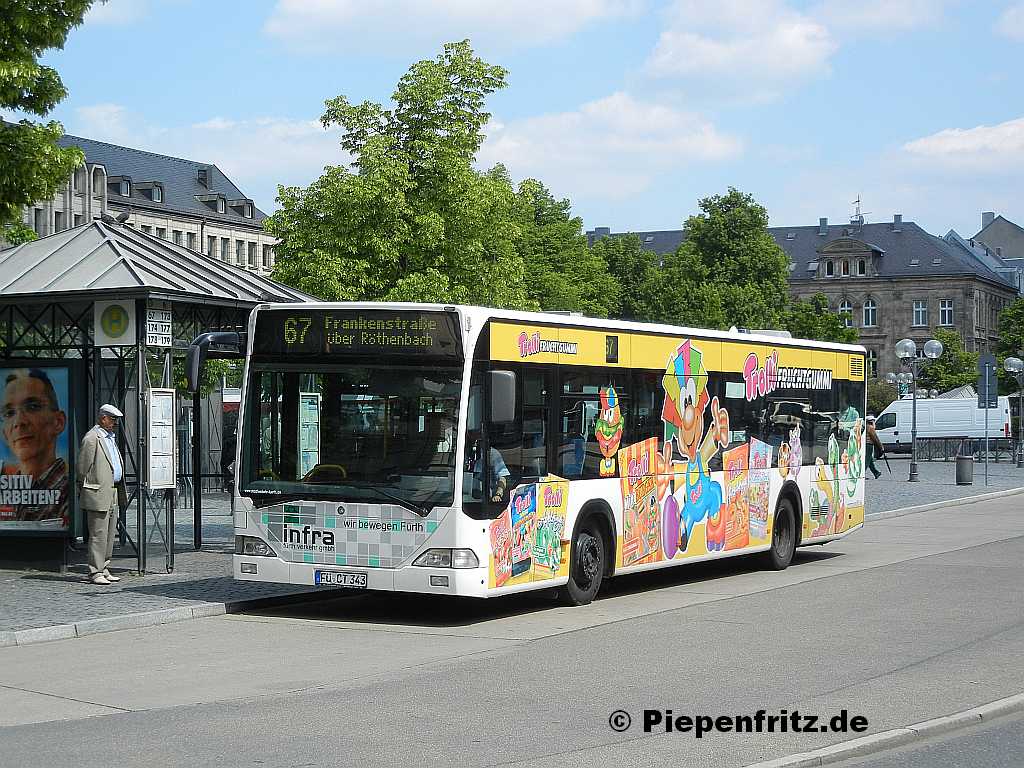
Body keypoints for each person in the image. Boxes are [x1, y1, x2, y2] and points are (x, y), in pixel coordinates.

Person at [0, 369, 69, 523]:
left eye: (32, 406)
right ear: (5, 434)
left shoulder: (68, 495)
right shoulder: (6, 492)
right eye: (9, 413)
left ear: (58, 422)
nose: (19, 422)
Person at [78, 404, 128, 585]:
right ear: (103, 418)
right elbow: (82, 467)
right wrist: (87, 486)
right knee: (98, 533)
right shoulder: (92, 438)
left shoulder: (110, 438)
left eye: (116, 420)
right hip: (97, 492)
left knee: (109, 534)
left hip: (112, 490)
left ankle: (104, 567)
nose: (115, 423)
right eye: (112, 419)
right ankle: (95, 571)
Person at [466, 429, 510, 502]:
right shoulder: (462, 452)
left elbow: (502, 477)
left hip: (485, 498)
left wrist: (498, 494)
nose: (474, 441)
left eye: (478, 438)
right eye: (471, 436)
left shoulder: (492, 454)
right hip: (465, 495)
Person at [865, 415, 885, 480]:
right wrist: (881, 447)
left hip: (865, 444)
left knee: (870, 460)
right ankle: (862, 474)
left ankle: (876, 472)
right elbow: (875, 438)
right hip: (869, 445)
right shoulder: (870, 428)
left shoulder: (865, 427)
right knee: (867, 461)